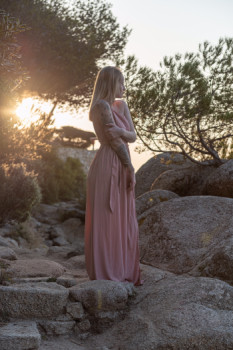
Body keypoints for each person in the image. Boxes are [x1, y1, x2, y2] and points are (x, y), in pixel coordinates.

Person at [85, 66, 142, 286]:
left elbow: (133, 136)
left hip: (121, 163)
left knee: (123, 217)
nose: (124, 87)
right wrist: (129, 167)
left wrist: (121, 132)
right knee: (107, 217)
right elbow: (113, 139)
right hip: (109, 163)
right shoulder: (100, 106)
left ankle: (122, 267)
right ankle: (106, 271)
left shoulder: (122, 105)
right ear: (110, 83)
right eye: (121, 83)